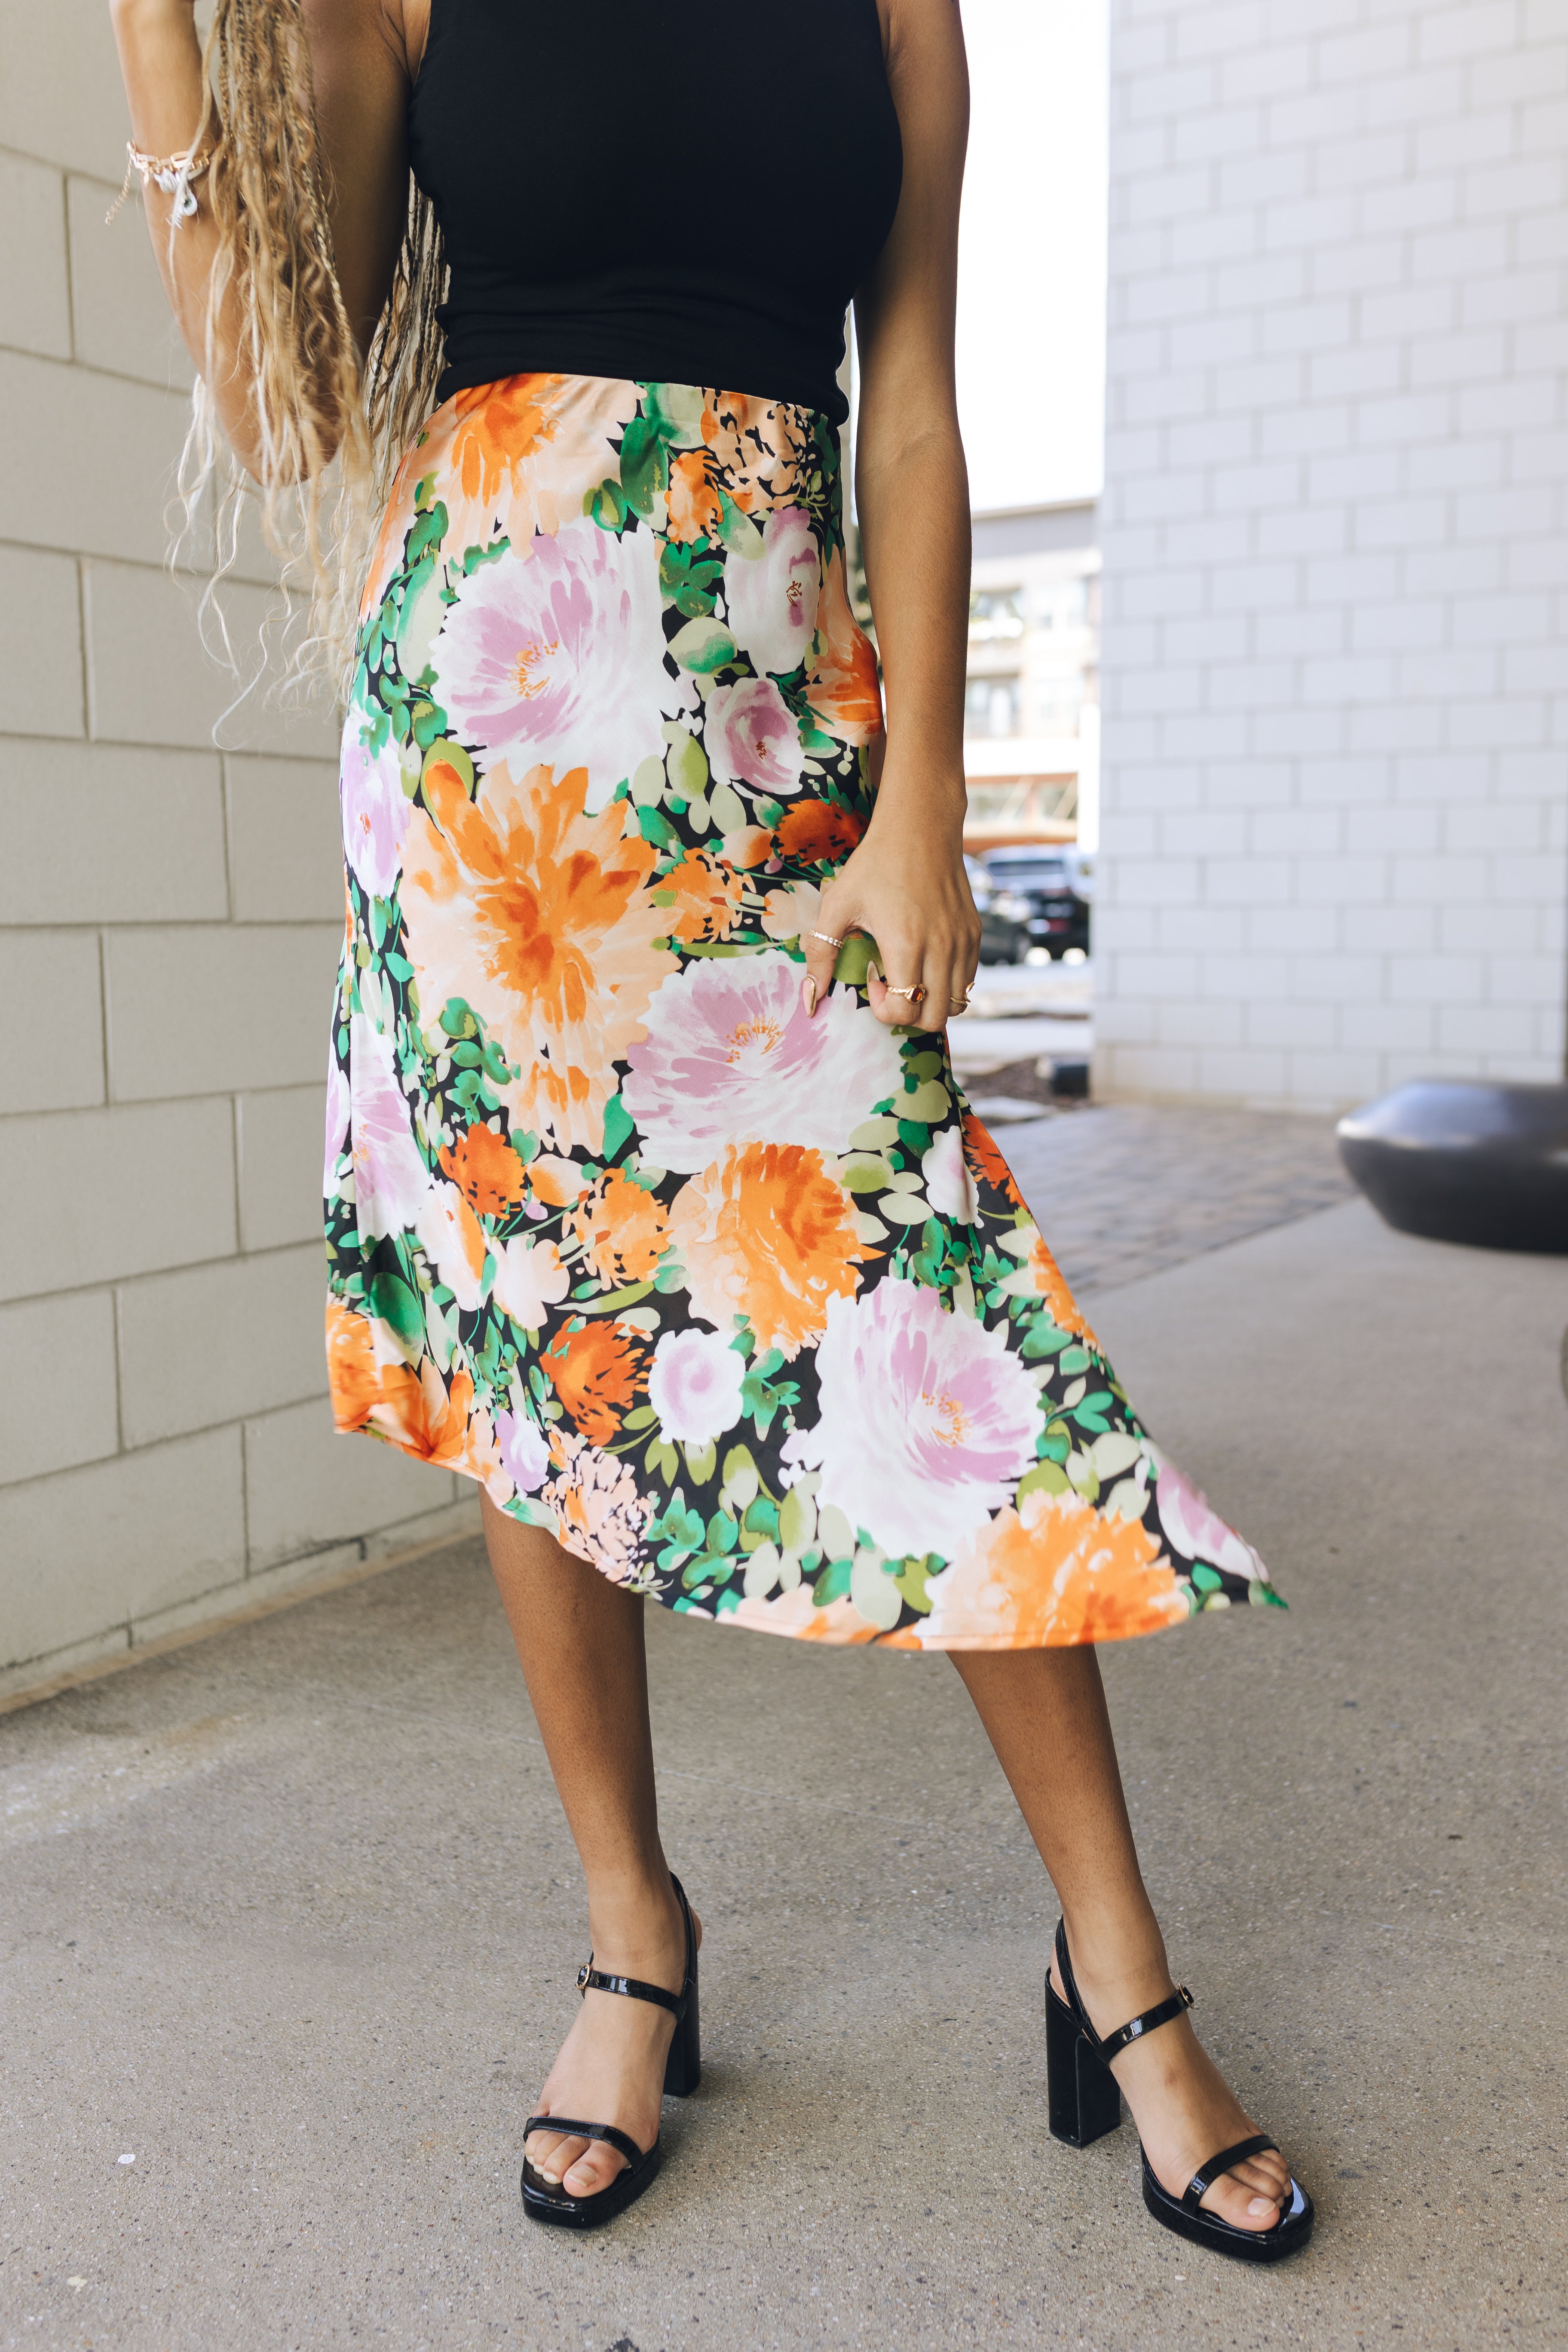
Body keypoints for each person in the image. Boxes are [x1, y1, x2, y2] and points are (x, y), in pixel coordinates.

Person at [107, 0, 1313, 2262]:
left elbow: (919, 412)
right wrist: (157, 62)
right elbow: (283, 402)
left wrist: (927, 805)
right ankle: (631, 1931)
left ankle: (1117, 1971)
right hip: (498, 785)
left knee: (940, 1340)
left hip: (793, 762)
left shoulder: (898, 12)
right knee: (537, 1355)